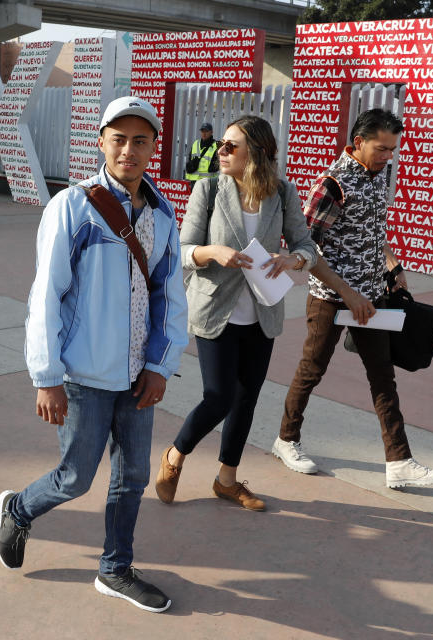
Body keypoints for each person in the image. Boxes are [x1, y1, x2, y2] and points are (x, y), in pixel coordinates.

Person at [0, 96, 188, 613]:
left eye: (140, 140)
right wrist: (47, 375)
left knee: (134, 477)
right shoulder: (73, 206)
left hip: (137, 375)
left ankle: (115, 568)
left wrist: (159, 365)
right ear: (100, 142)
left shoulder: (164, 213)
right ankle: (19, 507)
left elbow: (171, 295)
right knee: (76, 477)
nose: (129, 149)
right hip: (82, 374)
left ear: (153, 147)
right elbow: (47, 294)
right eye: (118, 138)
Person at [272, 108, 433, 489]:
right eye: (382, 148)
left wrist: (392, 266)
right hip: (331, 300)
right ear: (358, 143)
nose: (389, 156)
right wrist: (347, 293)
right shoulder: (332, 185)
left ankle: (399, 461)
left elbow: (373, 231)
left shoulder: (375, 177)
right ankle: (286, 440)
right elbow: (305, 249)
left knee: (383, 378)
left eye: (392, 149)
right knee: (311, 370)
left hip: (371, 299)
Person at [155, 115, 318, 512]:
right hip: (216, 310)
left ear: (257, 153)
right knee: (218, 396)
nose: (220, 151)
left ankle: (227, 480)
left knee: (246, 399)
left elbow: (306, 245)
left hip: (262, 313)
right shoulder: (208, 189)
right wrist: (214, 252)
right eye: (221, 144)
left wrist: (293, 259)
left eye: (231, 146)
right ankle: (175, 455)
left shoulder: (282, 192)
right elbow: (183, 247)